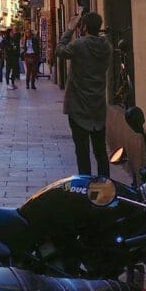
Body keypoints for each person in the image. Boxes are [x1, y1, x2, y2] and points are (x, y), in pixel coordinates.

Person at [56, 11, 112, 177]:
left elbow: (59, 50)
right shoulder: (106, 47)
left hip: (78, 105)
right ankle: (105, 185)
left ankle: (85, 186)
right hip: (98, 106)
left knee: (82, 151)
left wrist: (69, 29)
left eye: (81, 26)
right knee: (101, 151)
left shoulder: (79, 45)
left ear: (84, 27)